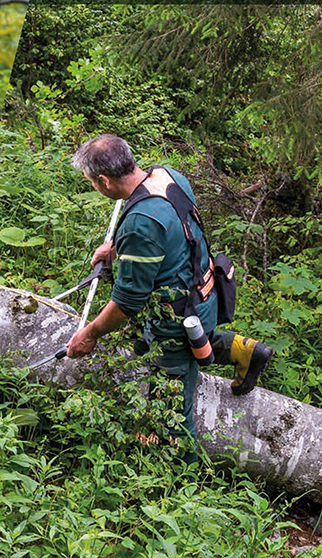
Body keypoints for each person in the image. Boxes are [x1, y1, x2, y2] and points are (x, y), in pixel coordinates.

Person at [66, 134, 273, 450]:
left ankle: (181, 480)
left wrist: (91, 334)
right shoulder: (167, 176)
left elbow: (126, 303)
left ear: (104, 182)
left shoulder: (141, 224)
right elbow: (171, 232)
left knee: (172, 416)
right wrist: (119, 246)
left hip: (176, 320)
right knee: (195, 342)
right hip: (203, 296)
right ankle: (247, 351)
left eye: (91, 181)